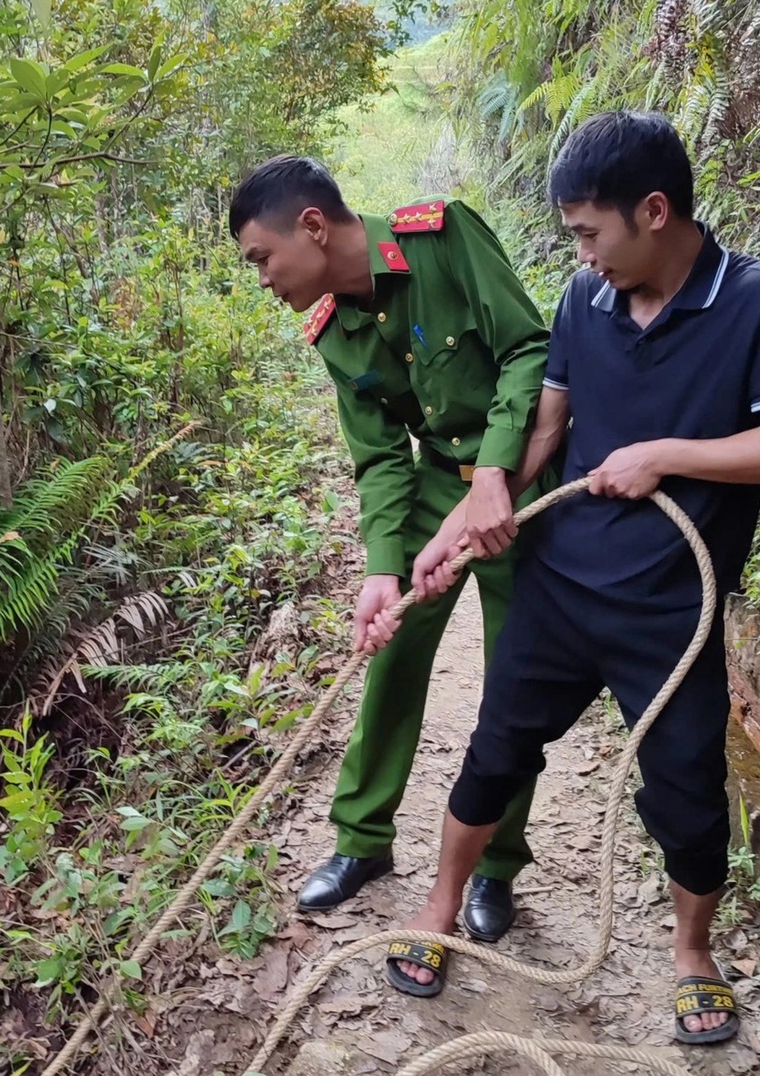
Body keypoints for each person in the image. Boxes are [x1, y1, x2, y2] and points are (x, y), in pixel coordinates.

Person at [384, 111, 760, 1045]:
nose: (582, 252)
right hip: (562, 586)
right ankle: (441, 907)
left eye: (588, 232)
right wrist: (470, 513)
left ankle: (693, 955)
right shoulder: (583, 301)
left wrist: (663, 455)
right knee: (497, 748)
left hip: (672, 609)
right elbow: (546, 429)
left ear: (654, 210)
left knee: (686, 791)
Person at [229, 156, 551, 940]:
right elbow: (379, 456)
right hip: (442, 484)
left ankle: (498, 865)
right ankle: (363, 841)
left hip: (527, 482)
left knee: (517, 682)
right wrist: (382, 568)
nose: (263, 279)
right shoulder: (332, 329)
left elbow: (528, 350)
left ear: (312, 226)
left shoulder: (441, 238)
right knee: (391, 647)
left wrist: (498, 473)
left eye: (262, 258)